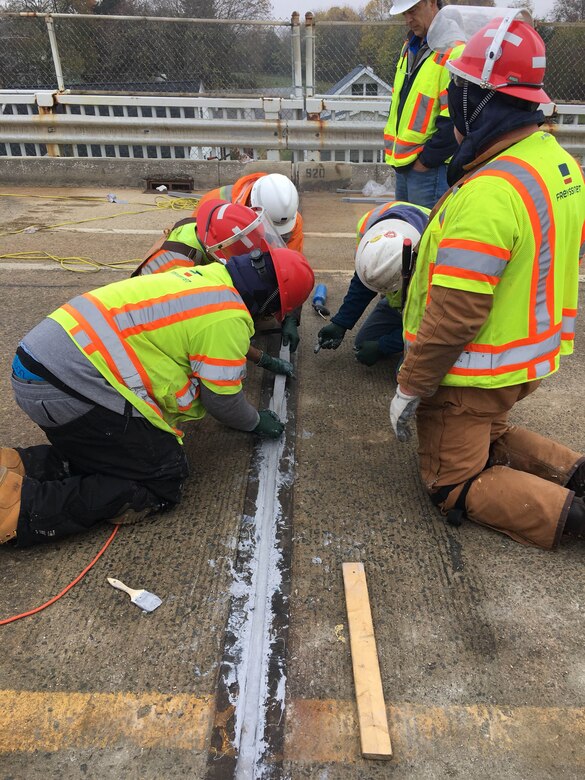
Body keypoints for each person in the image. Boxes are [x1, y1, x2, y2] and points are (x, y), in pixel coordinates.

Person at [389, 15, 585, 550]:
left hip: (471, 375)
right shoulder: (558, 164)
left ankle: (572, 518)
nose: (452, 102)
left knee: (450, 481)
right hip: (527, 361)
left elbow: (456, 314)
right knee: (490, 433)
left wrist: (412, 383)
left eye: (460, 91)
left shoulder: (488, 193)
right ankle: (576, 473)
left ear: (481, 100)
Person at [0, 242, 315, 548]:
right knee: (162, 477)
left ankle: (20, 467)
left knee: (122, 451)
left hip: (45, 364)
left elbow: (202, 329)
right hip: (69, 386)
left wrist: (261, 358)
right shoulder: (228, 318)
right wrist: (257, 421)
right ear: (267, 300)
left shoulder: (206, 278)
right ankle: (19, 509)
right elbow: (222, 401)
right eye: (273, 310)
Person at [134, 200, 298, 376]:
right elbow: (216, 327)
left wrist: (289, 316)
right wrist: (262, 358)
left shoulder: (205, 230)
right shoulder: (178, 267)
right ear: (220, 248)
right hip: (150, 330)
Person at [316, 201, 429, 365]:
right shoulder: (368, 228)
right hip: (403, 302)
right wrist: (341, 322)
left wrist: (384, 346)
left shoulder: (433, 251)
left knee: (406, 374)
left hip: (430, 311)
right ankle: (401, 321)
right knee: (364, 341)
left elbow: (439, 323)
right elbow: (366, 278)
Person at [385, 0, 463, 208]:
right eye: (404, 14)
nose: (408, 19)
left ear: (430, 3)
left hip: (430, 169)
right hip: (406, 164)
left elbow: (455, 118)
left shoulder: (453, 49)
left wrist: (426, 161)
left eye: (413, 11)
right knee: (406, 232)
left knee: (426, 236)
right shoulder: (412, 44)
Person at [195, 172, 303, 253]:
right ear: (252, 204)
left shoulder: (290, 219)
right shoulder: (213, 203)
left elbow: (290, 263)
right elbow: (196, 245)